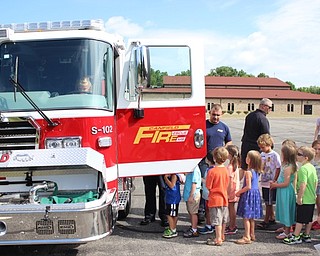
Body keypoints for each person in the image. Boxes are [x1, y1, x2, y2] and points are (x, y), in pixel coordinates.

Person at [198, 104, 232, 222]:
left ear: (221, 114)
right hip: (204, 162)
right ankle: (201, 211)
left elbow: (229, 141)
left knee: (215, 187)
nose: (216, 117)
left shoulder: (224, 127)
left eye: (218, 115)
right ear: (209, 113)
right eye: (213, 114)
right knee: (204, 186)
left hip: (218, 163)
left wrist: (223, 150)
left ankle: (213, 211)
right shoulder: (203, 125)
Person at [283, 146, 318, 245]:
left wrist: (299, 197)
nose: (297, 156)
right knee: (309, 218)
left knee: (300, 219)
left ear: (306, 157)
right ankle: (306, 235)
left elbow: (303, 184)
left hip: (304, 198)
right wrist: (314, 193)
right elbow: (315, 181)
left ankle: (296, 236)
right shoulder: (312, 167)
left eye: (299, 154)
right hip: (311, 197)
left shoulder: (303, 169)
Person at [270, 144, 297, 240]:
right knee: (283, 209)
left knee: (286, 210)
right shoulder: (285, 165)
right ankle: (285, 228)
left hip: (286, 191)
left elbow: (286, 183)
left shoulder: (288, 167)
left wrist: (275, 185)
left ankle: (287, 231)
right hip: (282, 191)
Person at [235, 150, 263, 245]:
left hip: (248, 195)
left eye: (247, 157)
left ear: (250, 160)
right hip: (255, 194)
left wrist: (239, 192)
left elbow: (248, 186)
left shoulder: (248, 172)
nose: (245, 158)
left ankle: (246, 236)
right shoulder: (257, 171)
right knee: (252, 217)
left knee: (246, 217)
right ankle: (252, 234)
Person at [240, 98, 272, 177]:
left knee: (244, 168)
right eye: (270, 107)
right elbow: (266, 136)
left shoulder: (249, 115)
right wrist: (271, 148)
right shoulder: (262, 119)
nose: (270, 109)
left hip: (245, 145)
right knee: (256, 170)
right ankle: (252, 187)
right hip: (256, 148)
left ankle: (236, 186)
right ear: (263, 106)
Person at [205, 147, 229, 246]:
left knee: (217, 221)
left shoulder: (212, 171)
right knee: (223, 219)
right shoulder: (226, 170)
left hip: (215, 199)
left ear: (214, 158)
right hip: (224, 197)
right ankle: (222, 236)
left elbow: (208, 186)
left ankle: (218, 238)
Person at [256, 134, 281, 230]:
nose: (261, 149)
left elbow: (278, 168)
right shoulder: (262, 155)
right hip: (264, 181)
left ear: (269, 144)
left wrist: (275, 180)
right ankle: (272, 217)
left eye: (263, 147)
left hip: (271, 181)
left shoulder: (274, 155)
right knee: (267, 200)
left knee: (269, 202)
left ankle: (266, 220)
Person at [225, 144, 241, 235]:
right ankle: (232, 225)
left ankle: (232, 226)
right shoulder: (235, 165)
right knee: (232, 208)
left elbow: (230, 181)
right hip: (235, 190)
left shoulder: (231, 167)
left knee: (231, 209)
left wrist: (227, 192)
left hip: (231, 191)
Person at [198, 152, 215, 235]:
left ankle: (209, 225)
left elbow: (208, 182)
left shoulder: (210, 170)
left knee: (208, 210)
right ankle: (213, 224)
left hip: (208, 194)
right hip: (211, 194)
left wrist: (200, 179)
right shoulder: (215, 169)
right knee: (212, 211)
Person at [183, 165, 202, 238]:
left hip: (193, 195)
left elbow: (194, 183)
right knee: (191, 212)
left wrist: (191, 196)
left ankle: (194, 229)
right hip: (189, 194)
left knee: (193, 212)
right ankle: (193, 227)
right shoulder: (191, 168)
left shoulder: (195, 170)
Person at [162, 173, 182, 238]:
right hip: (171, 197)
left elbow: (172, 186)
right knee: (172, 213)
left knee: (170, 214)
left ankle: (172, 229)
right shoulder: (173, 175)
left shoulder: (174, 176)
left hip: (173, 198)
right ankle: (173, 228)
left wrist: (165, 178)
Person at [311, 140, 320, 230]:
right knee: (314, 202)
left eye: (319, 149)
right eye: (315, 149)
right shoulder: (311, 158)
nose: (317, 151)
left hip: (319, 184)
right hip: (312, 184)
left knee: (319, 203)